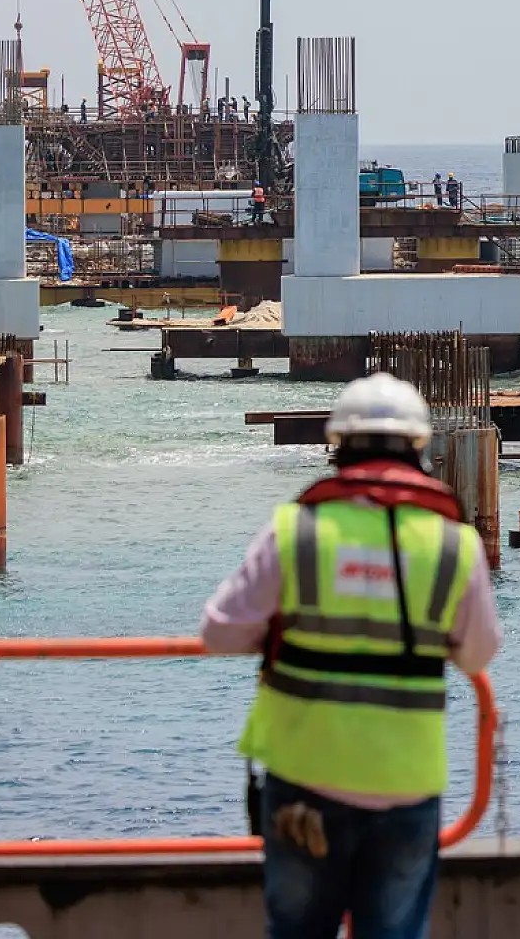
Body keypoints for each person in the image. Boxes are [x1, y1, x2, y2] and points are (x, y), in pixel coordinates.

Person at [202, 375, 499, 939]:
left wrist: (283, 632)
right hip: (406, 781)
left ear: (336, 445)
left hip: (304, 777)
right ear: (420, 448)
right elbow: (479, 652)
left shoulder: (298, 529)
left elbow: (218, 631)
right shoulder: (452, 542)